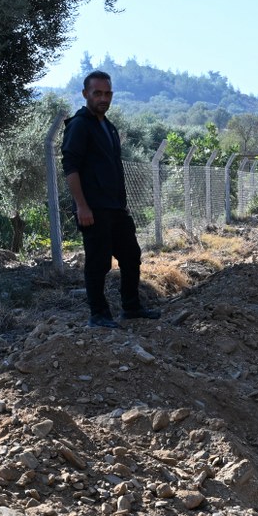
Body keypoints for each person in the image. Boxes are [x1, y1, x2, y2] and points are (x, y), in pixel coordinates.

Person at [62, 70, 159, 326]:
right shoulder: (79, 125)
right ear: (85, 94)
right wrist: (82, 206)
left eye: (107, 93)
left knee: (130, 256)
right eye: (97, 93)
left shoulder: (109, 127)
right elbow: (70, 167)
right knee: (98, 262)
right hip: (93, 208)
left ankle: (131, 307)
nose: (103, 98)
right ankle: (98, 315)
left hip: (116, 208)